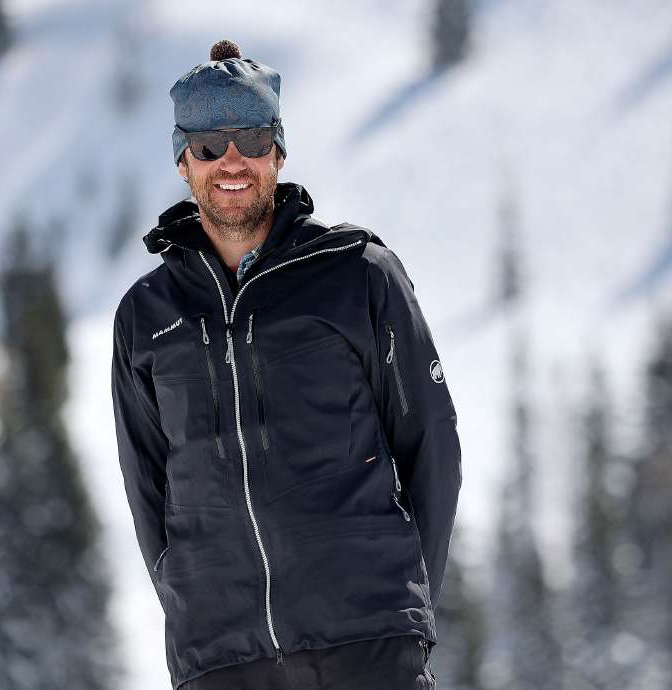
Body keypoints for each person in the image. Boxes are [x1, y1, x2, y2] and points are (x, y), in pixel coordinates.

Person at [110, 39, 462, 690]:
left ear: (277, 149)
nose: (231, 160)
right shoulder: (146, 315)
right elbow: (148, 495)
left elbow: (431, 446)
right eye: (209, 145)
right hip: (222, 661)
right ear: (184, 162)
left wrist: (403, 607)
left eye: (248, 137)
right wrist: (198, 604)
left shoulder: (356, 274)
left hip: (369, 646)